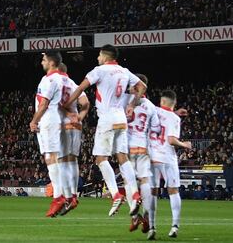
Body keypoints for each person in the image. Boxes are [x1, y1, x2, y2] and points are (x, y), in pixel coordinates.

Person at [66, 44, 147, 217]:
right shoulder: (124, 71)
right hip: (121, 118)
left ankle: (116, 194)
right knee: (122, 157)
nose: (97, 58)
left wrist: (66, 104)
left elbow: (80, 88)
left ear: (105, 56)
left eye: (99, 56)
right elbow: (142, 87)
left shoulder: (100, 70)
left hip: (108, 117)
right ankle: (134, 193)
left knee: (101, 158)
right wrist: (132, 104)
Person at [149, 89, 192, 240]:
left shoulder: (152, 110)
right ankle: (174, 226)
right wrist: (185, 145)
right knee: (173, 191)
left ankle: (152, 227)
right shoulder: (174, 119)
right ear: (174, 103)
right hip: (167, 157)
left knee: (152, 192)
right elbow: (172, 140)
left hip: (151, 156)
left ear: (162, 101)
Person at [29, 50, 67, 217]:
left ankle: (59, 196)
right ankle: (62, 194)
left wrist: (34, 120)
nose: (41, 62)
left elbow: (43, 104)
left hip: (48, 121)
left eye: (43, 59)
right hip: (52, 121)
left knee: (51, 158)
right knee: (51, 158)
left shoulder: (51, 79)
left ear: (51, 62)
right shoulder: (59, 78)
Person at [125, 74, 158, 234]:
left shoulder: (125, 101)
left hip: (127, 147)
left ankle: (135, 217)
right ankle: (146, 215)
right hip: (143, 147)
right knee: (145, 181)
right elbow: (157, 129)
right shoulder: (150, 106)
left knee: (128, 181)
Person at [57, 62, 88, 215]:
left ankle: (68, 197)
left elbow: (54, 104)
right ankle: (74, 194)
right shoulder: (74, 85)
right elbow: (86, 103)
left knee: (62, 160)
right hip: (76, 126)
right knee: (73, 160)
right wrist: (79, 117)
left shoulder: (54, 82)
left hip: (62, 125)